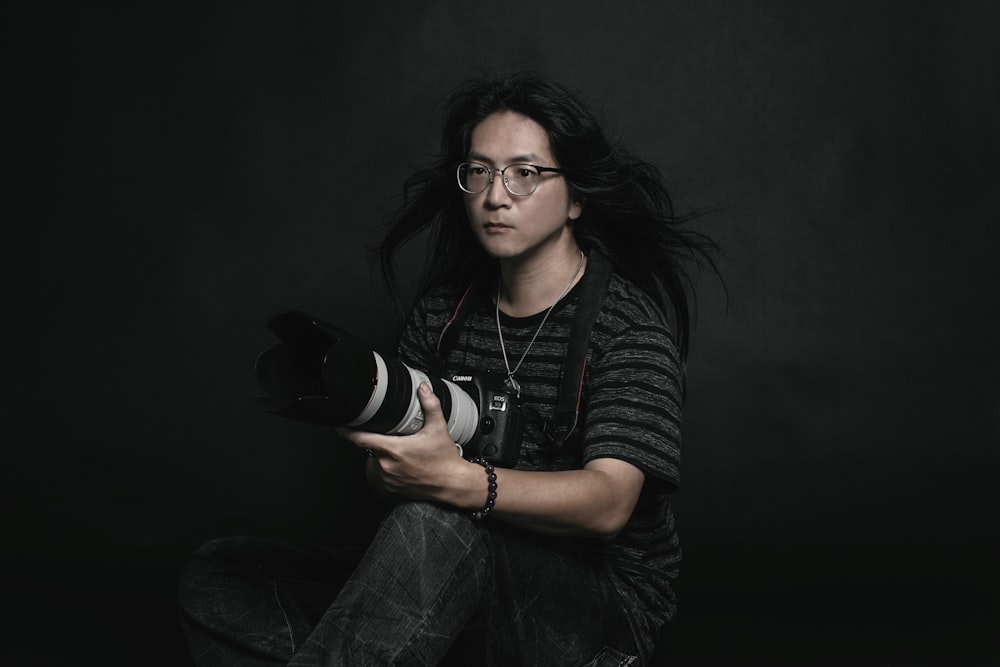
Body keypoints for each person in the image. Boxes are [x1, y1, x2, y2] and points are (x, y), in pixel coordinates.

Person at [179, 71, 719, 666]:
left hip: (594, 614)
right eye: (479, 171)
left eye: (525, 173)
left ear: (576, 198)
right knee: (223, 575)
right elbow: (386, 479)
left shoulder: (628, 326)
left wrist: (458, 484)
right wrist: (391, 466)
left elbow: (609, 504)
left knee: (435, 523)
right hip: (449, 580)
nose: (495, 195)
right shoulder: (444, 312)